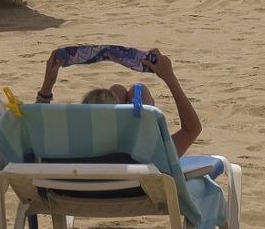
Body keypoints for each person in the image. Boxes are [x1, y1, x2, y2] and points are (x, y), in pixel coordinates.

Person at [34, 47, 201, 157]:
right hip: (137, 191)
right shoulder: (151, 153)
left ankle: (114, 102)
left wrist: (47, 86)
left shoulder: (73, 148)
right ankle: (135, 106)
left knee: (117, 90)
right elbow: (192, 129)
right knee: (139, 90)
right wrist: (170, 78)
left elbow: (35, 135)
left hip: (77, 192)